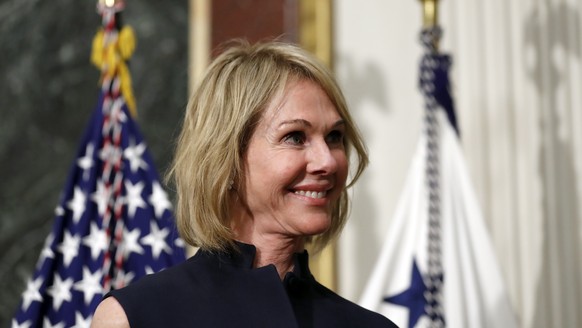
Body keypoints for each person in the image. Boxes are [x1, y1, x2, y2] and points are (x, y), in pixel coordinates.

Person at [92, 40, 396, 327]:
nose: (327, 161)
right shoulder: (137, 317)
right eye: (295, 137)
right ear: (227, 157)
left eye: (334, 137)